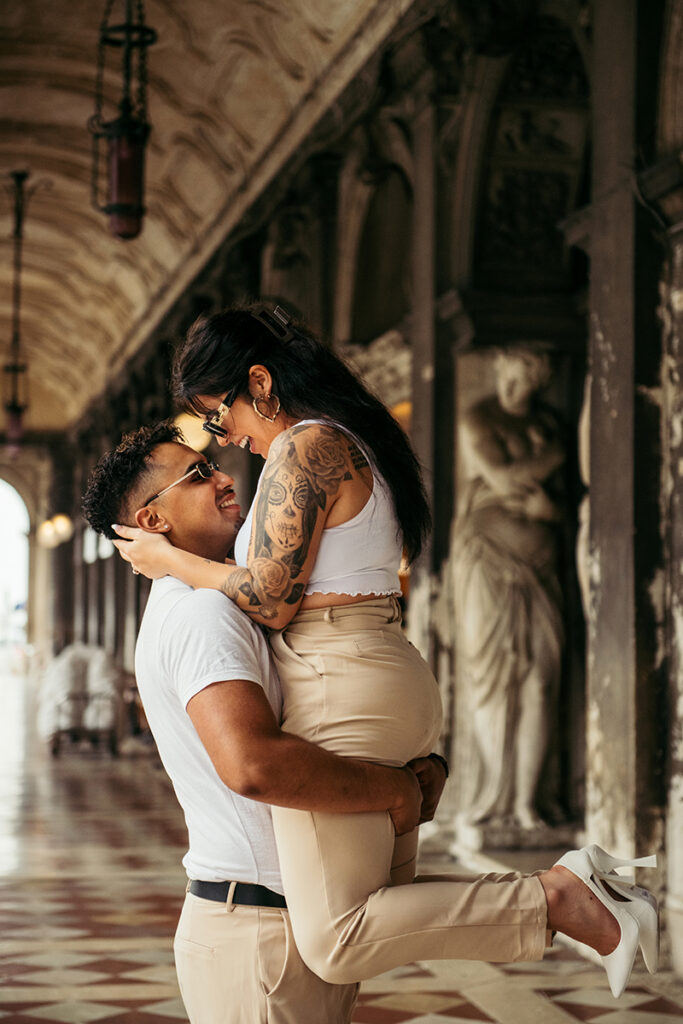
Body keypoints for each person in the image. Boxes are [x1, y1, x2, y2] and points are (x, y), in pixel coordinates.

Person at [109, 307, 658, 999]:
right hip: (369, 668)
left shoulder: (305, 447)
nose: (229, 440)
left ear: (259, 382)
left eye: (220, 416)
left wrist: (168, 559)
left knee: (339, 937)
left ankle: (562, 897)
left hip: (339, 678)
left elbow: (272, 599)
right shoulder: (342, 440)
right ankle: (564, 896)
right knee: (373, 909)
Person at [82, 421, 442, 1024]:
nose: (225, 477)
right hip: (256, 935)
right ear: (152, 522)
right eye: (198, 475)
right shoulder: (201, 614)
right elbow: (252, 765)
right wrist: (394, 791)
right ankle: (562, 903)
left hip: (284, 921)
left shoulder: (220, 601)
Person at [448, 345, 565, 831]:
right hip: (486, 563)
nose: (513, 389)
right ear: (498, 368)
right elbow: (502, 476)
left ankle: (525, 801)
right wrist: (553, 457)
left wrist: (549, 512)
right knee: (494, 680)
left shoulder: (551, 422)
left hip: (541, 564)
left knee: (540, 680)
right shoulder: (478, 417)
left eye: (524, 382)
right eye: (508, 377)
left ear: (538, 383)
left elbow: (560, 498)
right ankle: (492, 796)